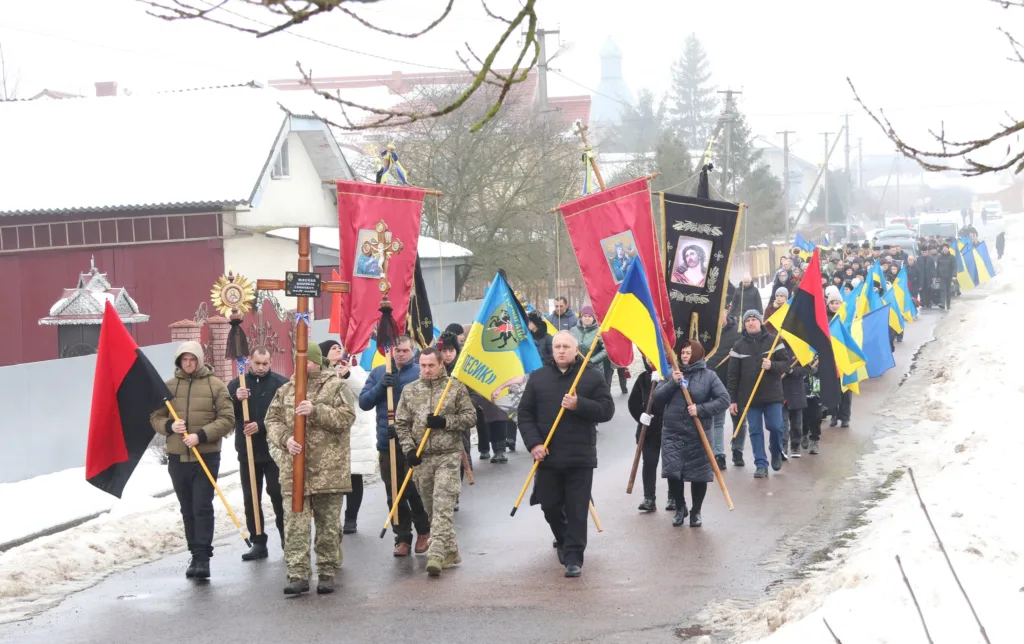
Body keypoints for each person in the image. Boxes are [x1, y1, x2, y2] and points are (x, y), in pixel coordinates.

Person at [518, 331, 615, 578]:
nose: (561, 351)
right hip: (547, 456)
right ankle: (563, 539)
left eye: (566, 347)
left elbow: (606, 410)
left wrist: (579, 404)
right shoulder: (538, 377)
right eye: (557, 346)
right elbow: (525, 414)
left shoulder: (590, 376)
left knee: (577, 509)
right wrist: (534, 444)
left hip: (579, 456)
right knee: (550, 506)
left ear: (575, 350)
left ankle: (574, 558)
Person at [266, 341, 355, 596]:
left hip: (329, 470)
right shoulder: (286, 390)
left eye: (308, 361)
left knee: (328, 525)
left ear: (317, 361)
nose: (303, 366)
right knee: (295, 524)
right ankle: (297, 574)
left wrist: (316, 410)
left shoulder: (336, 386)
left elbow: (347, 417)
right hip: (295, 470)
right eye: (299, 361)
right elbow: (271, 421)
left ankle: (326, 571)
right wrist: (285, 439)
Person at [150, 341, 234, 580]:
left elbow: (228, 419)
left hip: (205, 457)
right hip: (178, 458)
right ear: (179, 361)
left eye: (192, 359)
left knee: (202, 506)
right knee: (187, 508)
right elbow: (155, 417)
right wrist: (169, 426)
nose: (188, 364)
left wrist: (201, 435)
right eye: (184, 360)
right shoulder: (168, 387)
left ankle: (203, 558)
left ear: (200, 360)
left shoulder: (216, 385)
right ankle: (194, 554)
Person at [394, 347, 478, 576]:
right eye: (423, 365)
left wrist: (445, 421)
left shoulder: (454, 387)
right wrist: (409, 450)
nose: (427, 370)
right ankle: (451, 550)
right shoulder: (410, 390)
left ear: (441, 364)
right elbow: (401, 424)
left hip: (448, 455)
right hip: (422, 458)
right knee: (431, 509)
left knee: (443, 505)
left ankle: (437, 554)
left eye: (431, 365)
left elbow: (470, 417)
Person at [359, 336, 430, 557]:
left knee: (414, 490)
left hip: (413, 445)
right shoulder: (379, 372)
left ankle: (424, 531)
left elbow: (427, 409)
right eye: (397, 350)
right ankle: (402, 537)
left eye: (405, 351)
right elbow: (364, 402)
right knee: (394, 493)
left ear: (413, 351)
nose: (400, 354)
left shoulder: (420, 373)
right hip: (386, 443)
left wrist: (403, 429)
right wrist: (381, 386)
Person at [653, 339, 730, 528]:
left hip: (698, 433)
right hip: (673, 432)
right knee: (673, 472)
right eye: (682, 353)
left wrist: (700, 409)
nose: (684, 356)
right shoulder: (672, 374)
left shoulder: (709, 376)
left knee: (699, 475)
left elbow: (723, 400)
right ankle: (680, 508)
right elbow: (657, 399)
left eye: (688, 352)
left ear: (697, 354)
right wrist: (672, 383)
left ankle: (696, 511)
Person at [228, 346, 289, 561]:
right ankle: (258, 541)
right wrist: (236, 399)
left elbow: (286, 415)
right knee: (251, 497)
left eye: (265, 363)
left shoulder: (281, 384)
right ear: (250, 362)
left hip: (273, 450)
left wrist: (261, 425)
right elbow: (227, 415)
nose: (261, 367)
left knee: (277, 494)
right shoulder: (237, 384)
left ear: (270, 362)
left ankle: (286, 537)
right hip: (248, 450)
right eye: (257, 363)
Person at [727, 311, 791, 478]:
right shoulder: (738, 346)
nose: (751, 323)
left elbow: (786, 364)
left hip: (772, 395)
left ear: (760, 322)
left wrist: (772, 365)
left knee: (776, 427)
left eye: (754, 319)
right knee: (755, 431)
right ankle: (761, 464)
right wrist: (733, 400)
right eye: (747, 320)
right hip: (749, 398)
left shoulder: (774, 341)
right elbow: (733, 375)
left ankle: (776, 452)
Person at [319, 339, 374, 535]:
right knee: (332, 479)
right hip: (331, 432)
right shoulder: (320, 374)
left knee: (354, 477)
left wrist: (348, 375)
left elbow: (365, 394)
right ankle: (332, 520)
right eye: (332, 348)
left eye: (339, 347)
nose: (337, 350)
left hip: (354, 431)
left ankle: (351, 518)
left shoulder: (355, 370)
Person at [707, 309, 744, 469]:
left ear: (726, 311)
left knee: (739, 419)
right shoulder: (707, 331)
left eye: (720, 310)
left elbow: (745, 351)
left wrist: (737, 352)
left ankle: (738, 451)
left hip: (735, 382)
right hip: (715, 383)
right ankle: (718, 454)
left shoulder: (738, 331)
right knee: (717, 421)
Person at [628, 358, 664, 513]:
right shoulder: (643, 378)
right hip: (648, 430)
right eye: (647, 358)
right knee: (649, 462)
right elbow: (633, 402)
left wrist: (664, 382)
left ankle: (673, 498)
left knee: (671, 464)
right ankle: (649, 498)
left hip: (669, 428)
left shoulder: (670, 376)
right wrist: (640, 416)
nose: (650, 361)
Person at [782, 357, 810, 458]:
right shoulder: (775, 349)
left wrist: (792, 371)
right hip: (780, 392)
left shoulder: (800, 352)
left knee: (796, 424)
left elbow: (807, 369)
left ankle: (795, 445)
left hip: (796, 393)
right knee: (782, 424)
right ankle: (783, 446)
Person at [571, 306, 609, 378]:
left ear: (593, 318)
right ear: (581, 317)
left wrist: (592, 360)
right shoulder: (573, 330)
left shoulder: (599, 331)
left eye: (589, 316)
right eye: (585, 316)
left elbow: (606, 350)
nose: (587, 318)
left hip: (594, 368)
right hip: (576, 368)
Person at [936, 243, 957, 310]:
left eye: (946, 248)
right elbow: (937, 267)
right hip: (942, 277)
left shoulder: (952, 257)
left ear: (948, 249)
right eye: (943, 248)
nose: (944, 249)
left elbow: (954, 267)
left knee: (948, 291)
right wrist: (937, 276)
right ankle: (942, 304)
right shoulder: (939, 257)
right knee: (942, 290)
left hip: (949, 276)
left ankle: (948, 305)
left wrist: (954, 275)